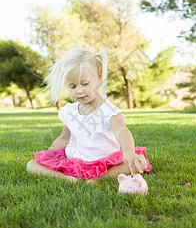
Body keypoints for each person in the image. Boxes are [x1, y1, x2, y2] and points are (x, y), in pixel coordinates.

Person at [27, 47, 152, 183]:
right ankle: (69, 179)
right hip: (73, 162)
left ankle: (97, 179)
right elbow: (64, 138)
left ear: (99, 76)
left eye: (85, 84)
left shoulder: (108, 110)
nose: (79, 91)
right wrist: (49, 154)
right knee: (32, 165)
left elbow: (121, 131)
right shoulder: (70, 111)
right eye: (73, 87)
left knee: (138, 161)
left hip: (104, 163)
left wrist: (128, 151)